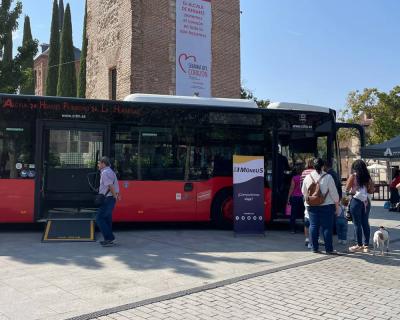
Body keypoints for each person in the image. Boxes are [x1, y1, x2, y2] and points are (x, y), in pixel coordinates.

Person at [302, 158, 340, 254]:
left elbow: (304, 192)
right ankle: (329, 249)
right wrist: (337, 206)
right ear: (323, 166)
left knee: (313, 226)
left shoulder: (308, 177)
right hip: (326, 205)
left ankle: (314, 248)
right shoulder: (328, 177)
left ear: (313, 167)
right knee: (327, 227)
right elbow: (334, 193)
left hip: (311, 206)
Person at [345, 159, 374, 253]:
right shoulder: (368, 177)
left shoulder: (353, 176)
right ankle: (366, 246)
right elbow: (371, 191)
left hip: (356, 201)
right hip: (366, 202)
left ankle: (359, 244)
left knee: (357, 224)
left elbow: (347, 189)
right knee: (365, 222)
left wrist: (353, 191)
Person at [96, 156, 120, 247]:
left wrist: (114, 196)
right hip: (110, 198)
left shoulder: (105, 173)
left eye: (99, 163)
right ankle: (108, 240)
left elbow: (110, 186)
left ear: (103, 163)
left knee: (99, 218)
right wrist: (117, 195)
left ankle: (109, 237)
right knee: (107, 219)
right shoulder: (111, 172)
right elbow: (115, 185)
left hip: (108, 199)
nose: (98, 165)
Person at [287, 164, 305, 234]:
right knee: (304, 214)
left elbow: (291, 188)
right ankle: (304, 229)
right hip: (303, 197)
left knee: (293, 214)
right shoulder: (304, 178)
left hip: (295, 197)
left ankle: (292, 229)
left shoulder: (294, 178)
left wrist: (288, 198)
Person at [301, 158, 314, 247]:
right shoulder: (315, 172)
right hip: (314, 197)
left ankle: (307, 238)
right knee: (314, 217)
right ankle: (314, 238)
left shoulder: (303, 172)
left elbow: (301, 185)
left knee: (306, 215)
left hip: (305, 196)